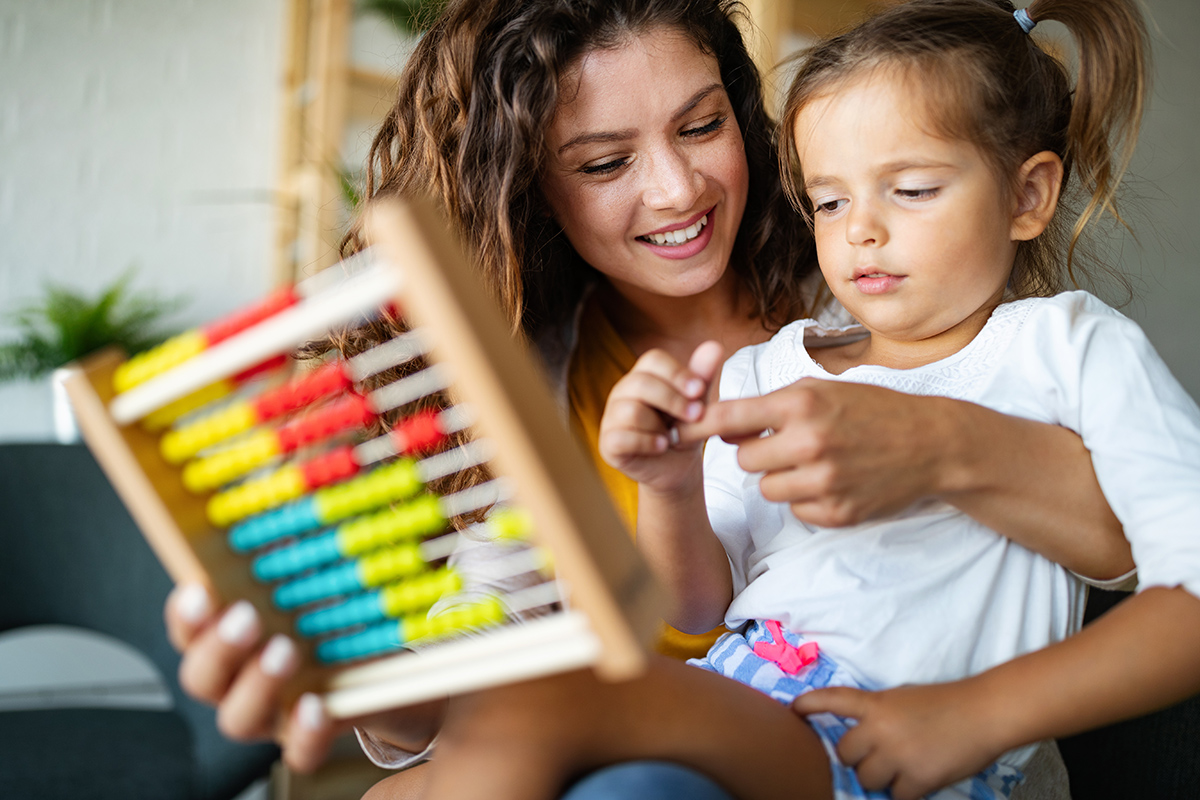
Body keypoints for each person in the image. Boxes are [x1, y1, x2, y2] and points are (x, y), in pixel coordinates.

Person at [162, 0, 1136, 793]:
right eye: (604, 162)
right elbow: (469, 717)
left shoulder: (888, 280)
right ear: (531, 188)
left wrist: (930, 444)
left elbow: (1135, 541)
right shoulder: (511, 386)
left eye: (702, 125)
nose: (676, 189)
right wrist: (349, 664)